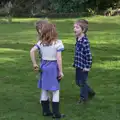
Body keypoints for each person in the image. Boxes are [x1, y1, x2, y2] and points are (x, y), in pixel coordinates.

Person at [30, 23, 65, 118]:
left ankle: (45, 111)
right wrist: (61, 71)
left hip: (43, 66)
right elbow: (59, 58)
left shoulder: (41, 43)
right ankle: (56, 114)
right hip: (53, 67)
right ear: (53, 32)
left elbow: (32, 51)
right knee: (55, 91)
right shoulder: (58, 43)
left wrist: (34, 63)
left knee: (44, 89)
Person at [73, 19, 95, 103]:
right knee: (78, 82)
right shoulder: (78, 39)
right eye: (74, 27)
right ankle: (90, 92)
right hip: (78, 65)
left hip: (84, 66)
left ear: (83, 30)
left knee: (82, 82)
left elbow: (89, 56)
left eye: (77, 27)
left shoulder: (85, 41)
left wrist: (87, 67)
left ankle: (83, 98)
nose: (74, 29)